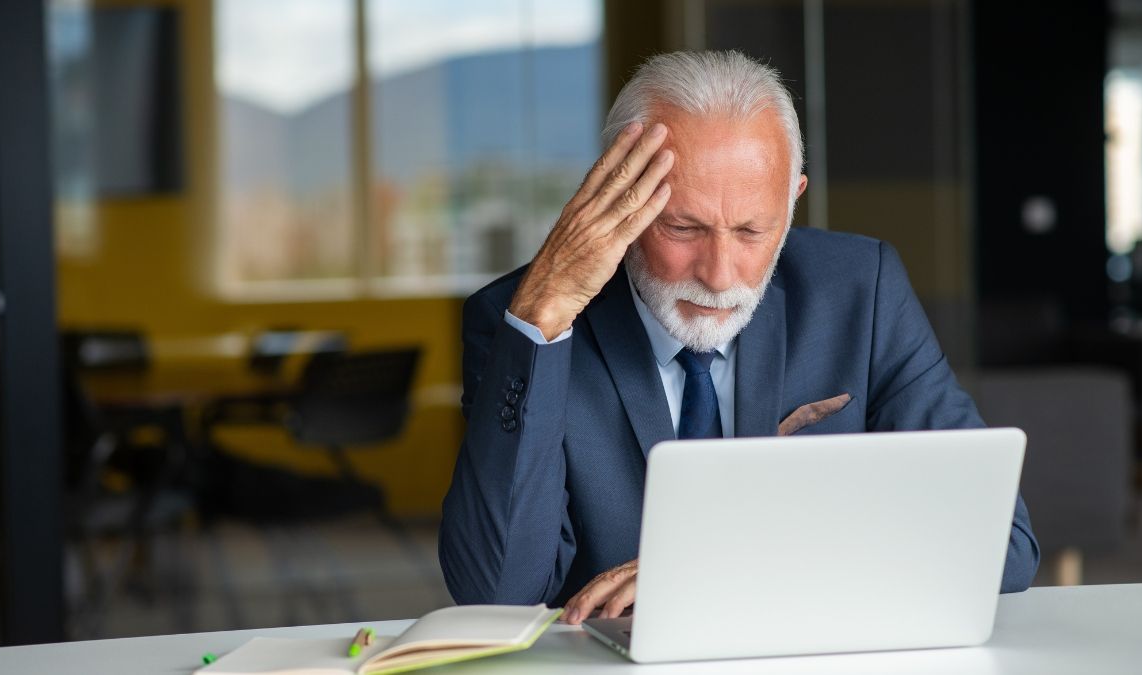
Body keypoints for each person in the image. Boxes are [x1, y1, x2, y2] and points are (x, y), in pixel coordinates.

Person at [438, 50, 1039, 625]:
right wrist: (544, 314)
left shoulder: (861, 290)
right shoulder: (521, 320)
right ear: (617, 200)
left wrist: (714, 563)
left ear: (792, 199)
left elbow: (1003, 544)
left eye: (752, 229)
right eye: (682, 227)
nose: (720, 276)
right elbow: (498, 592)